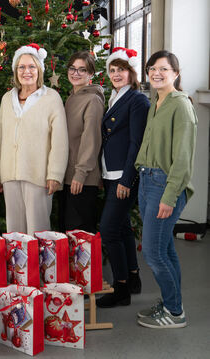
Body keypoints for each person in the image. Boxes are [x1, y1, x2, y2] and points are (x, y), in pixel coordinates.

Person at [135, 51, 197, 329]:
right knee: (166, 249)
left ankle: (175, 313)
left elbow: (183, 160)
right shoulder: (156, 102)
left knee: (153, 252)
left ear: (176, 72)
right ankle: (172, 303)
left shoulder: (180, 105)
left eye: (163, 68)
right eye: (152, 69)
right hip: (148, 180)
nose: (156, 73)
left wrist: (169, 196)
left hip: (165, 185)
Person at [0, 43, 69, 235]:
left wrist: (55, 174)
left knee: (38, 231)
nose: (27, 71)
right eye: (22, 67)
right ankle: (19, 266)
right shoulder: (8, 99)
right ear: (16, 71)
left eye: (31, 67)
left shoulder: (51, 98)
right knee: (14, 232)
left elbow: (60, 141)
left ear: (39, 70)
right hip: (10, 174)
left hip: (38, 176)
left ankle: (39, 266)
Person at [96, 48, 150, 308]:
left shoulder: (137, 101)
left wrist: (127, 179)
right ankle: (133, 276)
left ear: (131, 72)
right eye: (113, 70)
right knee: (123, 226)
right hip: (110, 172)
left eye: (122, 70)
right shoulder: (115, 96)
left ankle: (121, 289)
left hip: (123, 175)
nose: (117, 74)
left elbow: (136, 143)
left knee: (108, 229)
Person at [59, 51, 104, 233]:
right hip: (68, 176)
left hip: (82, 179)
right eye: (73, 68)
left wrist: (80, 173)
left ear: (91, 74)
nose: (75, 73)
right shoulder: (72, 98)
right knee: (67, 231)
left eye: (82, 70)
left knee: (80, 236)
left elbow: (90, 139)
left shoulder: (92, 100)